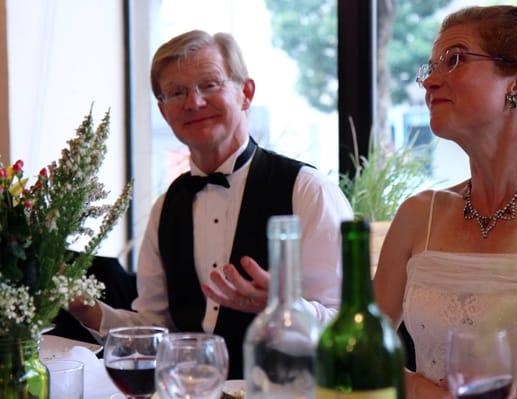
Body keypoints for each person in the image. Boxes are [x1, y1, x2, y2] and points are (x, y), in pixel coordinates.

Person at [69, 30, 353, 379]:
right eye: (177, 92)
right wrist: (88, 311)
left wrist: (284, 307)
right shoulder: (166, 208)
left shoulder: (308, 192)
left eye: (210, 85)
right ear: (163, 110)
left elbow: (349, 327)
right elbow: (156, 328)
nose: (194, 103)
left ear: (245, 93)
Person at [373, 5, 517, 398]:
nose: (430, 82)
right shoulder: (418, 214)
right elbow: (363, 348)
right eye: (431, 67)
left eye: (454, 60)